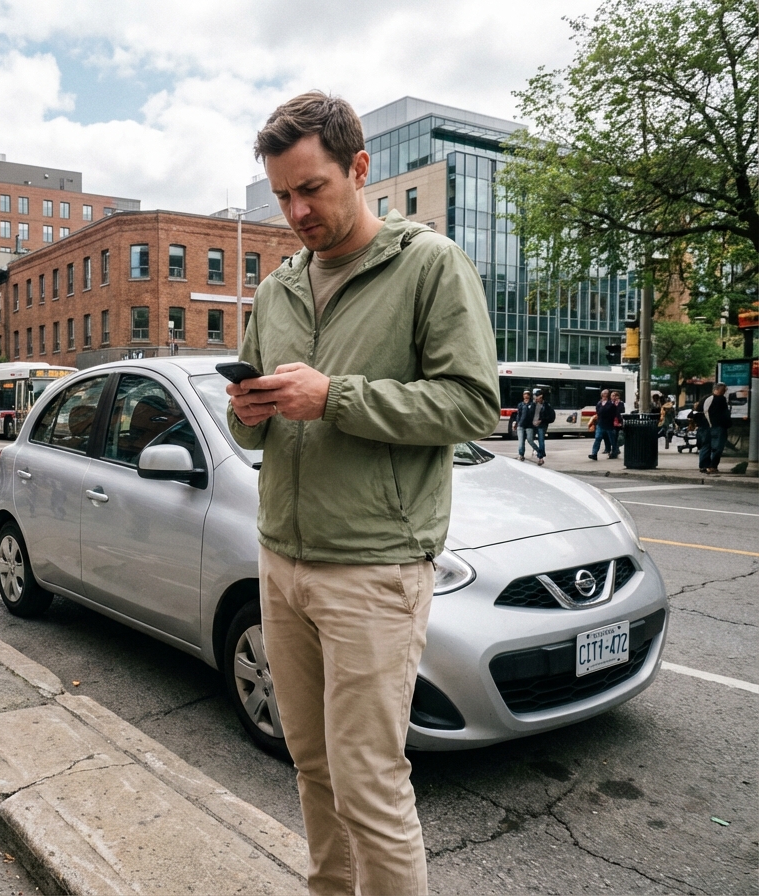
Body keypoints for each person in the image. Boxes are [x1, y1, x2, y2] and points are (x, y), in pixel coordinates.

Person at [225, 91, 499, 896]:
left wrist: (335, 397)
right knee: (311, 764)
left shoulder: (429, 266)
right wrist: (247, 413)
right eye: (283, 195)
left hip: (374, 567)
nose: (297, 212)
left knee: (369, 784)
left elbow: (473, 405)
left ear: (360, 168)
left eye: (312, 188)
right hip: (282, 559)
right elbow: (251, 431)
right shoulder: (276, 291)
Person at [699, 383, 731, 474]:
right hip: (717, 426)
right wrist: (727, 423)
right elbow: (724, 414)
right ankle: (712, 466)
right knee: (717, 447)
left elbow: (698, 411)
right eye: (724, 390)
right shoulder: (721, 399)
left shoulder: (705, 398)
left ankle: (704, 465)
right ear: (718, 389)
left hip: (705, 427)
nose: (725, 392)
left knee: (706, 446)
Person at [589, 388, 621, 460]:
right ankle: (594, 454)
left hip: (609, 424)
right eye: (603, 393)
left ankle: (615, 452)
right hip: (600, 423)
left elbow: (615, 413)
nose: (604, 394)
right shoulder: (599, 403)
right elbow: (598, 412)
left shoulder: (611, 403)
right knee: (598, 438)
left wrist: (618, 421)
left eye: (606, 393)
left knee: (612, 440)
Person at [526, 388, 555, 465]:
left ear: (541, 397)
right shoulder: (534, 404)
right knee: (529, 439)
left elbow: (551, 417)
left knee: (541, 440)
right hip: (533, 425)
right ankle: (540, 452)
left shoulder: (547, 406)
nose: (536, 399)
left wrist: (541, 421)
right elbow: (530, 414)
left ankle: (540, 457)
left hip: (542, 426)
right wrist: (533, 404)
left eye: (538, 397)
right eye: (536, 397)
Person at [510, 389, 537, 461]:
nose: (526, 396)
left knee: (530, 440)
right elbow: (518, 415)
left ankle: (538, 450)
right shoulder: (520, 405)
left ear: (529, 396)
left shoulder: (532, 405)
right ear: (523, 396)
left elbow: (533, 414)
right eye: (525, 394)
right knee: (521, 442)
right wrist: (516, 423)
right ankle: (521, 454)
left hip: (529, 425)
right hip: (521, 425)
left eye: (527, 394)